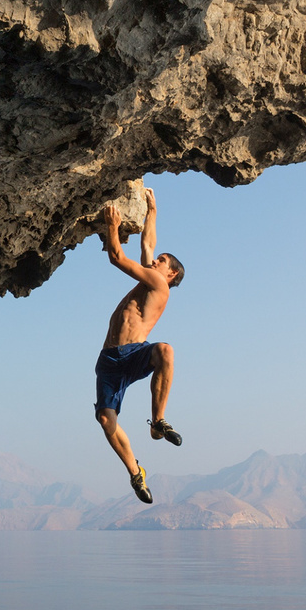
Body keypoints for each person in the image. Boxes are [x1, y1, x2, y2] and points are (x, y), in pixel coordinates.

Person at [94, 188, 184, 504]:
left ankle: (158, 420)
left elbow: (117, 256)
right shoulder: (149, 279)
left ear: (170, 274)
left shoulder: (159, 284)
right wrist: (152, 210)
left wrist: (112, 226)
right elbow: (148, 243)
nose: (154, 260)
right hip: (108, 360)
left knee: (165, 351)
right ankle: (136, 473)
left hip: (134, 353)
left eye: (161, 262)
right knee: (106, 421)